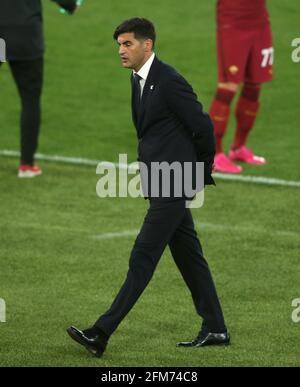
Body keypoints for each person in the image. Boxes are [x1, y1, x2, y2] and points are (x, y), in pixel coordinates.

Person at [67, 18, 230, 358]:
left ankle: (101, 332)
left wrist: (198, 172)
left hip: (175, 181)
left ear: (147, 45)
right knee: (189, 257)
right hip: (161, 181)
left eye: (127, 44)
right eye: (119, 45)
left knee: (143, 255)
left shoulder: (169, 80)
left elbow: (203, 126)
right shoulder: (138, 79)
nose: (121, 51)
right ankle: (215, 327)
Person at [0, 0, 78, 178]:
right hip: (25, 33)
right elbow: (69, 5)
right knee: (30, 99)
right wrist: (71, 5)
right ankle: (27, 164)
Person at [210, 0, 273, 174]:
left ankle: (238, 147)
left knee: (255, 84)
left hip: (260, 19)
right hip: (233, 19)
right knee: (228, 87)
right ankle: (214, 154)